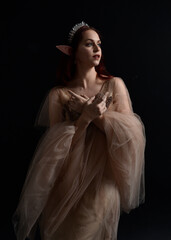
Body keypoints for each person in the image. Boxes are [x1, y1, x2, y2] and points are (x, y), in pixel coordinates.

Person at [12, 21, 146, 240]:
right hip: (66, 180)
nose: (97, 49)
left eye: (99, 44)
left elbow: (129, 137)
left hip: (101, 180)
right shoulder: (59, 95)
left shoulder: (114, 85)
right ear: (72, 53)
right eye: (89, 44)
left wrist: (96, 115)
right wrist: (85, 117)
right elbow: (57, 150)